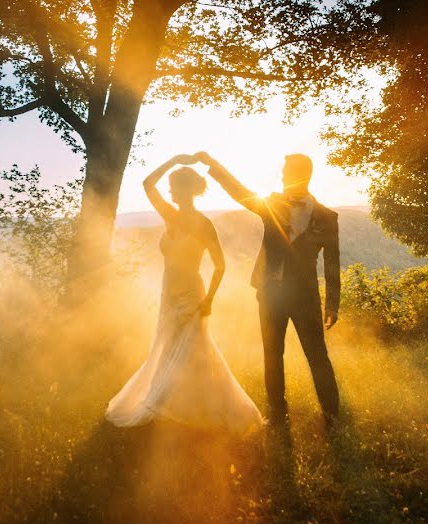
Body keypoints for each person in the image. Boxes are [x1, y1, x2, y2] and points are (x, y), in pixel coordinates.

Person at [105, 154, 264, 435]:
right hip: (169, 291)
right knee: (168, 346)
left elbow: (220, 265)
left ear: (184, 190)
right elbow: (147, 183)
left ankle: (176, 405)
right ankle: (176, 404)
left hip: (192, 293)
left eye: (173, 186)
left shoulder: (204, 224)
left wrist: (209, 300)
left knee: (192, 350)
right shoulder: (170, 216)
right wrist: (174, 160)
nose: (168, 191)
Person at [196, 151, 341, 426]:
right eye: (283, 173)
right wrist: (214, 165)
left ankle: (332, 416)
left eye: (287, 172)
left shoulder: (326, 217)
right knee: (272, 356)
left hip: (306, 298)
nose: (283, 176)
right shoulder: (271, 205)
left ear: (302, 175)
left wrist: (333, 304)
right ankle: (277, 415)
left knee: (318, 357)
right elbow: (239, 192)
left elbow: (333, 265)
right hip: (270, 295)